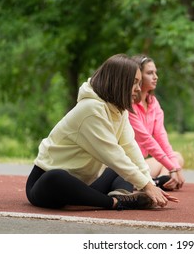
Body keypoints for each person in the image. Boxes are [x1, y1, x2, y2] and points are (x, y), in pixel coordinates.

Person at [26, 54, 179, 210]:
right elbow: (112, 154)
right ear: (119, 82)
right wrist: (146, 185)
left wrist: (150, 184)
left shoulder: (120, 109)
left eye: (139, 83)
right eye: (134, 83)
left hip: (85, 186)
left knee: (124, 166)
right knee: (56, 177)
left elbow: (129, 147)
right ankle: (115, 202)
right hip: (47, 186)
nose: (139, 89)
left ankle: (120, 195)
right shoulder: (91, 109)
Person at [128, 55, 185, 191]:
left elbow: (161, 138)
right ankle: (151, 182)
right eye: (149, 73)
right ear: (138, 76)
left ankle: (159, 181)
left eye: (155, 72)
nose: (155, 77)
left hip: (141, 163)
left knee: (177, 157)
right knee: (171, 163)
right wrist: (172, 168)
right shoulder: (129, 104)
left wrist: (175, 168)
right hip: (128, 164)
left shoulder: (153, 103)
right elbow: (147, 141)